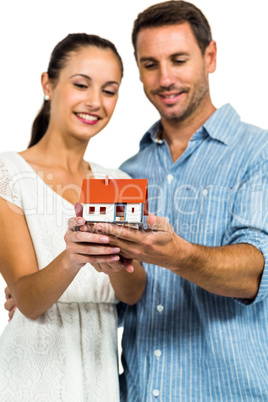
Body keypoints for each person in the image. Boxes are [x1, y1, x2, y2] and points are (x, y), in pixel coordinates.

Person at [66, 1, 267, 400]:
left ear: (210, 57)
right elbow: (121, 300)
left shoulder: (258, 152)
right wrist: (42, 294)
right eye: (150, 64)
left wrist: (174, 253)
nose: (165, 78)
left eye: (179, 60)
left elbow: (253, 275)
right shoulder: (126, 172)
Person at [0, 33, 146, 401]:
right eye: (81, 84)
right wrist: (73, 256)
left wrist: (119, 259)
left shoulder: (118, 183)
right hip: (33, 374)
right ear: (48, 84)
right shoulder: (8, 173)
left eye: (109, 90)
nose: (95, 102)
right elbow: (28, 301)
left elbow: (132, 294)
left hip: (98, 375)